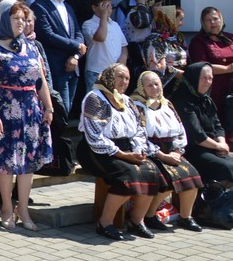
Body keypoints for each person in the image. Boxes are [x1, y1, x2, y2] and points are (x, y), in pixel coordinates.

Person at [0, 7, 53, 231]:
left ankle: (23, 208)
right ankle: (6, 207)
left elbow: (41, 80)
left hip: (31, 112)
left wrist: (48, 107)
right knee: (6, 164)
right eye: (15, 18)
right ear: (5, 20)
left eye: (23, 19)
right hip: (7, 112)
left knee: (28, 163)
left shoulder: (32, 47)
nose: (21, 22)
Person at [79, 64, 166, 241]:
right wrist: (124, 155)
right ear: (109, 77)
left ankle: (136, 221)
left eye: (127, 78)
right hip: (96, 150)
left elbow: (139, 130)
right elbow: (95, 136)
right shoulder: (95, 98)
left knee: (152, 171)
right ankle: (104, 222)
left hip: (126, 148)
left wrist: (138, 150)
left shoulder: (127, 101)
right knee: (128, 174)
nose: (124, 81)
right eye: (120, 77)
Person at [131, 71, 204, 234]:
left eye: (157, 84)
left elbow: (180, 129)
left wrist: (178, 150)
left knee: (192, 175)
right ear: (142, 88)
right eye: (149, 85)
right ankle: (149, 216)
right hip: (151, 151)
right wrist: (162, 155)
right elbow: (139, 136)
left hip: (172, 150)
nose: (154, 88)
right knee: (167, 180)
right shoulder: (137, 106)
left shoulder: (167, 104)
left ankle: (186, 216)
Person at [168, 63, 233, 190]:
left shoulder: (206, 99)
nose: (207, 82)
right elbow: (196, 134)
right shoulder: (182, 101)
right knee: (226, 168)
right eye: (203, 78)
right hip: (193, 149)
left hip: (212, 146)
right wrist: (218, 146)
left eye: (210, 78)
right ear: (193, 78)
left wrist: (222, 142)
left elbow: (217, 125)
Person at [186, 7, 233, 131]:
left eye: (215, 19)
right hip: (213, 88)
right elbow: (201, 67)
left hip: (231, 88)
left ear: (221, 19)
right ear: (203, 23)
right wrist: (228, 68)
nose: (213, 22)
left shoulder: (230, 38)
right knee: (217, 122)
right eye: (208, 20)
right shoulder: (198, 41)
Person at [81, 0, 128, 92]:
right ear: (94, 8)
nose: (108, 9)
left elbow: (123, 46)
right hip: (96, 72)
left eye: (110, 5)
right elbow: (101, 37)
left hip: (115, 73)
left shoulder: (115, 25)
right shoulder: (88, 24)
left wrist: (122, 62)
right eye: (104, 5)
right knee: (96, 99)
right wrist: (103, 16)